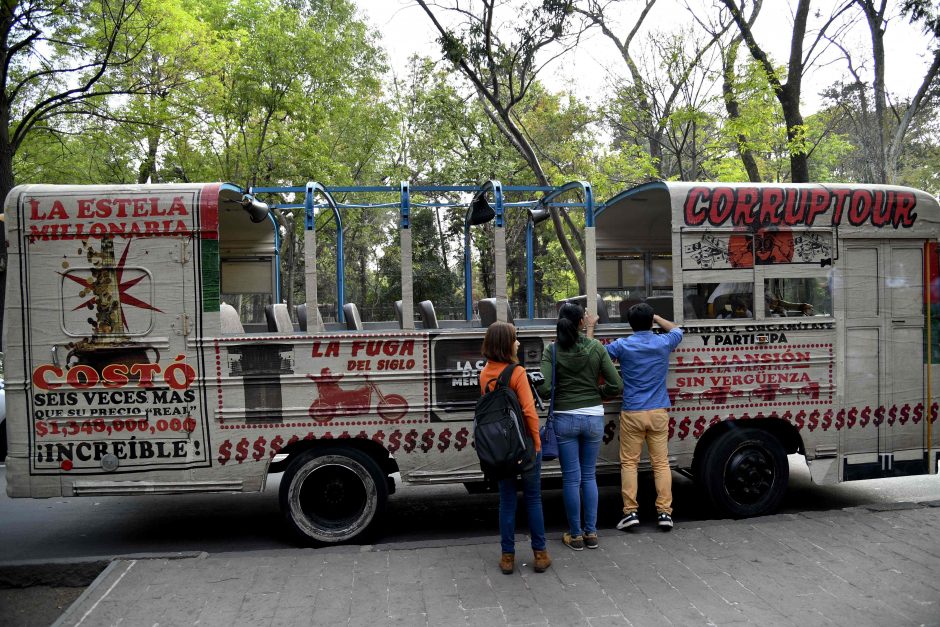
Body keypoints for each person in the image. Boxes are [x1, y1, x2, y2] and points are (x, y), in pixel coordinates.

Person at [538, 303, 622, 551]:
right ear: (581, 324)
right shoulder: (596, 347)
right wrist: (598, 392)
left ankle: (575, 535)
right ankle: (592, 533)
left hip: (564, 419)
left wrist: (560, 391)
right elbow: (616, 384)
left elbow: (543, 388)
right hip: (594, 418)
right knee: (589, 477)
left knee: (571, 480)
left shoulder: (552, 351)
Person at [479, 321, 551, 575]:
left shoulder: (485, 372)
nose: (518, 343)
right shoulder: (517, 372)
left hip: (500, 449)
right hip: (524, 446)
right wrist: (537, 443)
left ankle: (507, 557)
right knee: (533, 499)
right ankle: (540, 554)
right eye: (515, 338)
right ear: (506, 343)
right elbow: (529, 412)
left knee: (507, 501)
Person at [605, 303, 683, 532]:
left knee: (630, 463)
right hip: (658, 411)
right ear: (651, 322)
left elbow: (599, 355)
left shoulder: (623, 345)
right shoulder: (663, 342)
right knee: (660, 464)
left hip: (632, 411)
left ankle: (630, 512)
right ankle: (665, 513)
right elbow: (678, 329)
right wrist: (657, 316)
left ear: (630, 324)